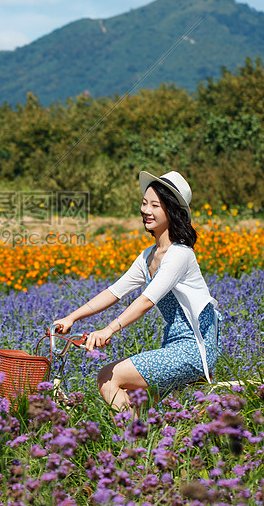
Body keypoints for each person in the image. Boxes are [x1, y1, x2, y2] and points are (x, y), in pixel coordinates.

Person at [52, 170, 222, 410]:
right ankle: (143, 442)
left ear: (171, 212)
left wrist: (108, 330)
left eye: (155, 205)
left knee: (108, 378)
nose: (146, 210)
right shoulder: (148, 256)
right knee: (143, 409)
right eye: (144, 203)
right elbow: (114, 292)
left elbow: (146, 301)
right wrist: (71, 317)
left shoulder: (180, 254)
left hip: (193, 350)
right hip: (172, 347)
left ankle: (132, 444)